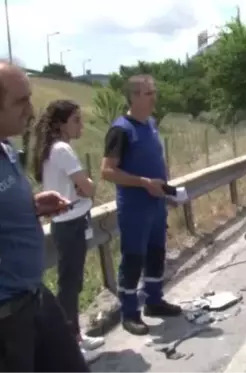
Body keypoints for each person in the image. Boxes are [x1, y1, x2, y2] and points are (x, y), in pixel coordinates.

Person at [0, 62, 90, 372]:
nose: (31, 110)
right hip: (7, 318)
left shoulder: (7, 150)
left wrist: (34, 206)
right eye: (20, 101)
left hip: (34, 294)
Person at [100, 74, 182, 336]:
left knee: (157, 253)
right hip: (134, 206)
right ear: (134, 97)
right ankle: (130, 312)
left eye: (153, 92)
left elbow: (156, 159)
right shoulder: (121, 130)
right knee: (133, 259)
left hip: (156, 204)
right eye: (148, 93)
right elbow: (107, 171)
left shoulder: (151, 124)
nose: (154, 97)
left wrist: (167, 191)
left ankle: (154, 301)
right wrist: (143, 182)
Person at [31, 99, 105, 361]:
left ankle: (76, 336)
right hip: (71, 222)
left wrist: (84, 188)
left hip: (71, 221)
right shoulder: (62, 149)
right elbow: (87, 187)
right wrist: (88, 186)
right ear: (61, 124)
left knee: (72, 282)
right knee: (69, 284)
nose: (81, 125)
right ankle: (72, 343)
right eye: (76, 120)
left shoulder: (55, 148)